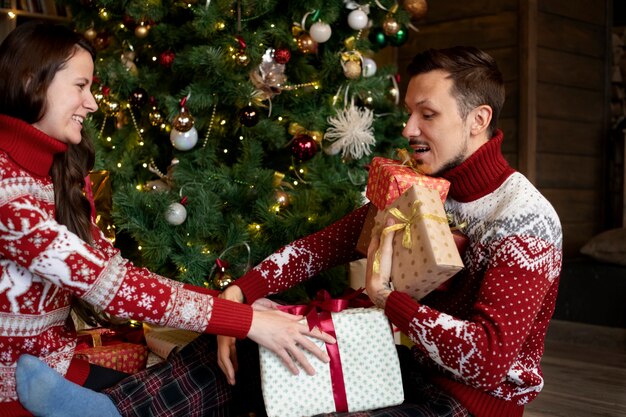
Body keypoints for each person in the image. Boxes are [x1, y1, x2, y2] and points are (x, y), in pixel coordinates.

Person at [0, 21, 335, 417]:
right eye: (80, 86)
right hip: (15, 386)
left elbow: (115, 271)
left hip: (55, 365)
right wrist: (244, 319)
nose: (91, 103)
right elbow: (109, 286)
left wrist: (231, 305)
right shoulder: (6, 187)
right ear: (30, 81)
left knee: (205, 373)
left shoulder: (57, 171)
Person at [218, 46, 563, 417]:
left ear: (478, 119)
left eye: (427, 114)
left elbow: (488, 360)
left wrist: (387, 299)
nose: (408, 129)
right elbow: (323, 247)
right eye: (409, 114)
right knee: (246, 349)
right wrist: (240, 293)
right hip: (405, 370)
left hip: (468, 404)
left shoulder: (525, 219)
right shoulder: (422, 188)